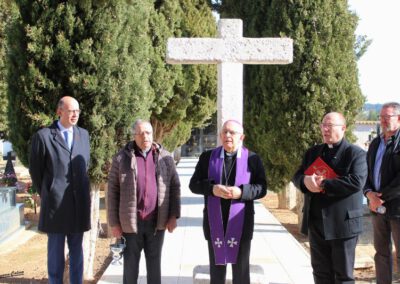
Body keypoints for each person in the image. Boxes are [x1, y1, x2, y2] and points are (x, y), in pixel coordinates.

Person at [292, 112, 367, 284]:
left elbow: (356, 182)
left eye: (330, 125)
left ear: (343, 128)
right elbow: (297, 176)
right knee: (320, 273)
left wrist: (324, 184)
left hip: (343, 225)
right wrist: (305, 181)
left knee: (343, 276)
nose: (325, 129)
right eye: (323, 125)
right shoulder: (312, 153)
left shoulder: (356, 154)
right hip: (316, 223)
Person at [189, 119, 267, 284]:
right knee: (216, 273)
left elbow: (262, 188)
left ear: (242, 137)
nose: (228, 135)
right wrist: (211, 189)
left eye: (232, 132)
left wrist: (242, 192)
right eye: (224, 132)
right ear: (220, 135)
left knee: (241, 272)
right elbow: (193, 185)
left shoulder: (252, 159)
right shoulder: (207, 157)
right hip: (214, 222)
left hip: (241, 222)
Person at [107, 119, 181, 284]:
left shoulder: (166, 158)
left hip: (157, 222)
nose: (145, 136)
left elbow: (175, 187)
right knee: (130, 268)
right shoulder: (121, 158)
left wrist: (173, 216)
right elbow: (112, 191)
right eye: (140, 133)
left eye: (148, 132)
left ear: (152, 134)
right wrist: (114, 223)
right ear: (134, 136)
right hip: (131, 224)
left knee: (154, 267)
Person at [29, 96, 91, 284]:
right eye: (71, 111)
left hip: (78, 205)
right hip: (55, 207)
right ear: (59, 112)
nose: (75, 115)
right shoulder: (44, 136)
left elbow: (84, 166)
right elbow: (36, 171)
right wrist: (49, 192)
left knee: (77, 254)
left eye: (77, 111)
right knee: (55, 256)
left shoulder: (84, 135)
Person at [364, 102, 400, 284]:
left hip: (397, 209)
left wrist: (380, 198)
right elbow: (367, 172)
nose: (384, 120)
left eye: (388, 117)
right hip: (377, 208)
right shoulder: (376, 143)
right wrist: (369, 193)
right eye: (381, 117)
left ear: (399, 119)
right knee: (381, 254)